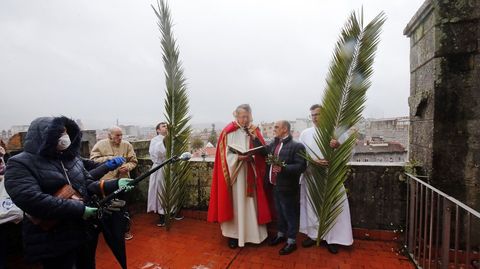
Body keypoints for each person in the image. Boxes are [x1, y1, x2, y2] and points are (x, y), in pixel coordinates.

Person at [4, 116, 133, 269]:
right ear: (45, 135)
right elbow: (30, 199)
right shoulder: (21, 163)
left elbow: (87, 183)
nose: (64, 137)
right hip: (53, 239)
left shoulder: (71, 158)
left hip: (83, 232)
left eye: (66, 132)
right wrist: (80, 209)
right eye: (60, 133)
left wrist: (115, 184)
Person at [208, 104, 271, 249]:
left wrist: (254, 142)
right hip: (236, 175)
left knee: (251, 204)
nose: (245, 120)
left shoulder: (254, 130)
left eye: (247, 116)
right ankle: (233, 236)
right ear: (235, 116)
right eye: (242, 116)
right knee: (236, 203)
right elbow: (224, 156)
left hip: (251, 172)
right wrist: (237, 158)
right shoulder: (228, 131)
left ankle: (254, 235)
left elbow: (263, 152)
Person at [299, 104, 353, 254]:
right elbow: (300, 154)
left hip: (331, 175)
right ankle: (313, 235)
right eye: (312, 115)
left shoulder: (338, 132)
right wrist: (313, 161)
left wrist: (339, 145)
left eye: (317, 114)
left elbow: (350, 153)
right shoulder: (305, 133)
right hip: (312, 176)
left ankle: (333, 238)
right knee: (312, 207)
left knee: (333, 206)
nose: (315, 118)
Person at [262, 121, 306, 255]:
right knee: (280, 213)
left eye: (276, 127)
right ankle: (281, 235)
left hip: (289, 188)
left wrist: (284, 168)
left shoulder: (297, 146)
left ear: (285, 129)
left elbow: (301, 166)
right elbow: (264, 151)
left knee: (290, 215)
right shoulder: (275, 144)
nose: (273, 129)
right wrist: (253, 137)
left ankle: (292, 241)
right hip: (276, 186)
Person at [90, 126, 138, 240]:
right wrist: (110, 159)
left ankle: (125, 230)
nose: (120, 137)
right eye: (117, 135)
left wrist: (127, 167)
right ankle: (109, 231)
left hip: (123, 181)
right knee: (108, 207)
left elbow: (134, 161)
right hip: (106, 182)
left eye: (121, 135)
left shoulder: (127, 145)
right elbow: (92, 160)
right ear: (109, 135)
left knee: (123, 206)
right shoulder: (100, 145)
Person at [147, 122, 184, 226]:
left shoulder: (172, 139)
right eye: (163, 126)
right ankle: (162, 216)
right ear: (158, 130)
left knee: (173, 190)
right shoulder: (155, 140)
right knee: (161, 191)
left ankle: (173, 211)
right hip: (160, 168)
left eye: (167, 126)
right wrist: (165, 140)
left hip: (171, 168)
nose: (166, 128)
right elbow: (158, 153)